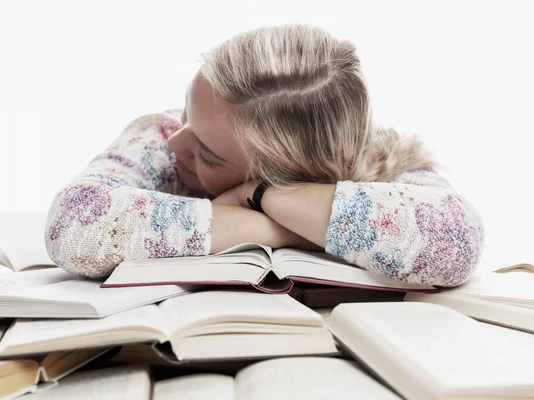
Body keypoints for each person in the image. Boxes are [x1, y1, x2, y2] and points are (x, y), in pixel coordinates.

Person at [44, 24, 484, 287]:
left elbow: (455, 242)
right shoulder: (159, 136)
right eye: (186, 115)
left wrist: (263, 196)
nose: (176, 144)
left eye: (209, 155)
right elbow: (76, 224)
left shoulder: (386, 159)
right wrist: (287, 228)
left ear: (292, 174)